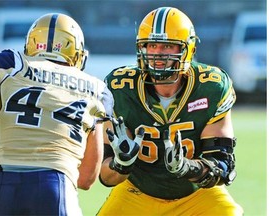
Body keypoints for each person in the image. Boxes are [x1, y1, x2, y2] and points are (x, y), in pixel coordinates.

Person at [98, 7, 243, 216]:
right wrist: (120, 164)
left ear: (188, 49)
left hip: (196, 195)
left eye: (167, 46)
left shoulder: (211, 87)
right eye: (152, 45)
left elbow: (221, 166)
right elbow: (105, 177)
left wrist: (187, 168)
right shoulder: (120, 88)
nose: (157, 54)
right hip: (136, 192)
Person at [0, 13, 113, 215]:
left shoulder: (12, 63)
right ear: (76, 51)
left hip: (1, 183)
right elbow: (86, 178)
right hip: (56, 184)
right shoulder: (96, 89)